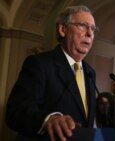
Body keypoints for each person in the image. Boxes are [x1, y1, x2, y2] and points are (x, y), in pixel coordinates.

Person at [5, 5, 99, 141]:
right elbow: (16, 112)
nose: (90, 33)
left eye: (93, 29)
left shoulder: (90, 72)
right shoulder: (40, 64)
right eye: (83, 26)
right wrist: (48, 119)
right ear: (62, 29)